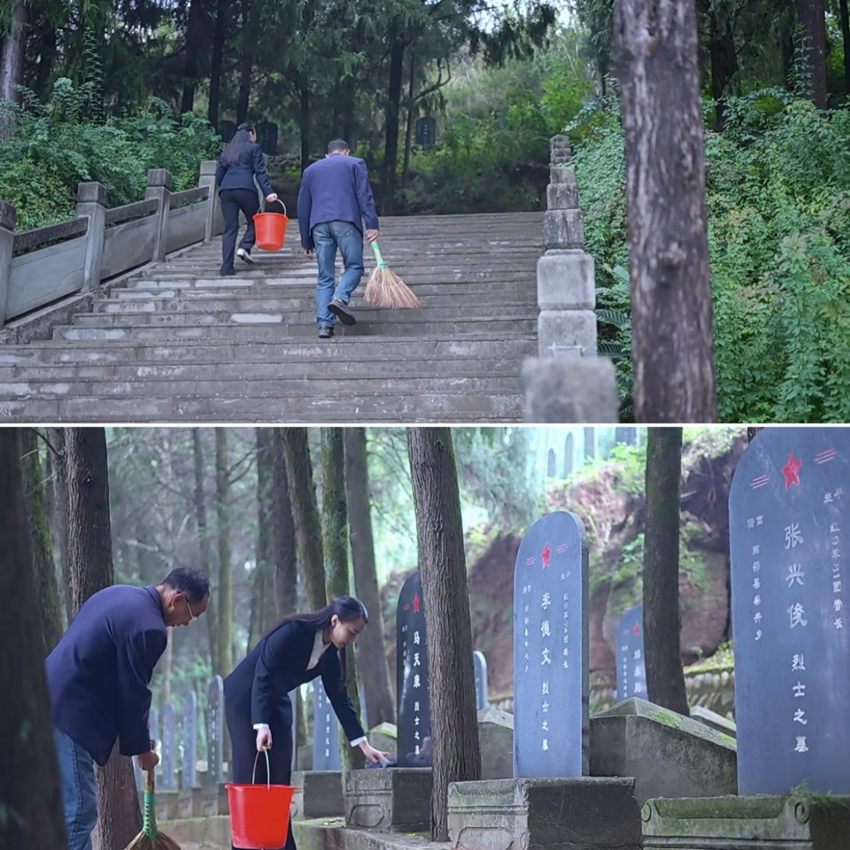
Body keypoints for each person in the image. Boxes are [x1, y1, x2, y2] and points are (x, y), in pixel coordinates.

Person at [46, 568, 211, 850]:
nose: (186, 624)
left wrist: (139, 737)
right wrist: (142, 752)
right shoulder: (150, 628)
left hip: (45, 699)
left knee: (55, 806)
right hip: (69, 714)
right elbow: (133, 692)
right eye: (192, 616)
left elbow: (116, 675)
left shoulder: (120, 595)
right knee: (79, 810)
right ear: (178, 599)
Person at [224, 596, 389, 850]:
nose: (352, 640)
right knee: (251, 776)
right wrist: (261, 724)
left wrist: (364, 744)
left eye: (357, 635)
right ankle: (245, 844)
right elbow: (262, 673)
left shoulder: (331, 655)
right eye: (352, 632)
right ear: (335, 621)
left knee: (279, 779)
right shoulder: (292, 631)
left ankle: (281, 844)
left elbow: (340, 700)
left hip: (277, 700)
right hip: (246, 697)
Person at [296, 139, 380, 338]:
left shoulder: (311, 170)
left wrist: (305, 240)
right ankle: (340, 298)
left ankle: (325, 325)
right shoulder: (355, 164)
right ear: (347, 152)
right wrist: (372, 224)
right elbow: (364, 195)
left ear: (327, 154)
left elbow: (303, 205)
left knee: (325, 276)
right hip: (346, 220)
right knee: (354, 266)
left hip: (318, 225)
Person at [215, 123, 278, 276]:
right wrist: (268, 192)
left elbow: (219, 175)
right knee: (256, 220)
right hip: (245, 189)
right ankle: (245, 246)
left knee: (230, 229)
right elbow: (260, 172)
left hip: (226, 191)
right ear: (251, 133)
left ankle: (226, 268)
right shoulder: (253, 148)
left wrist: (224, 188)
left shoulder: (227, 150)